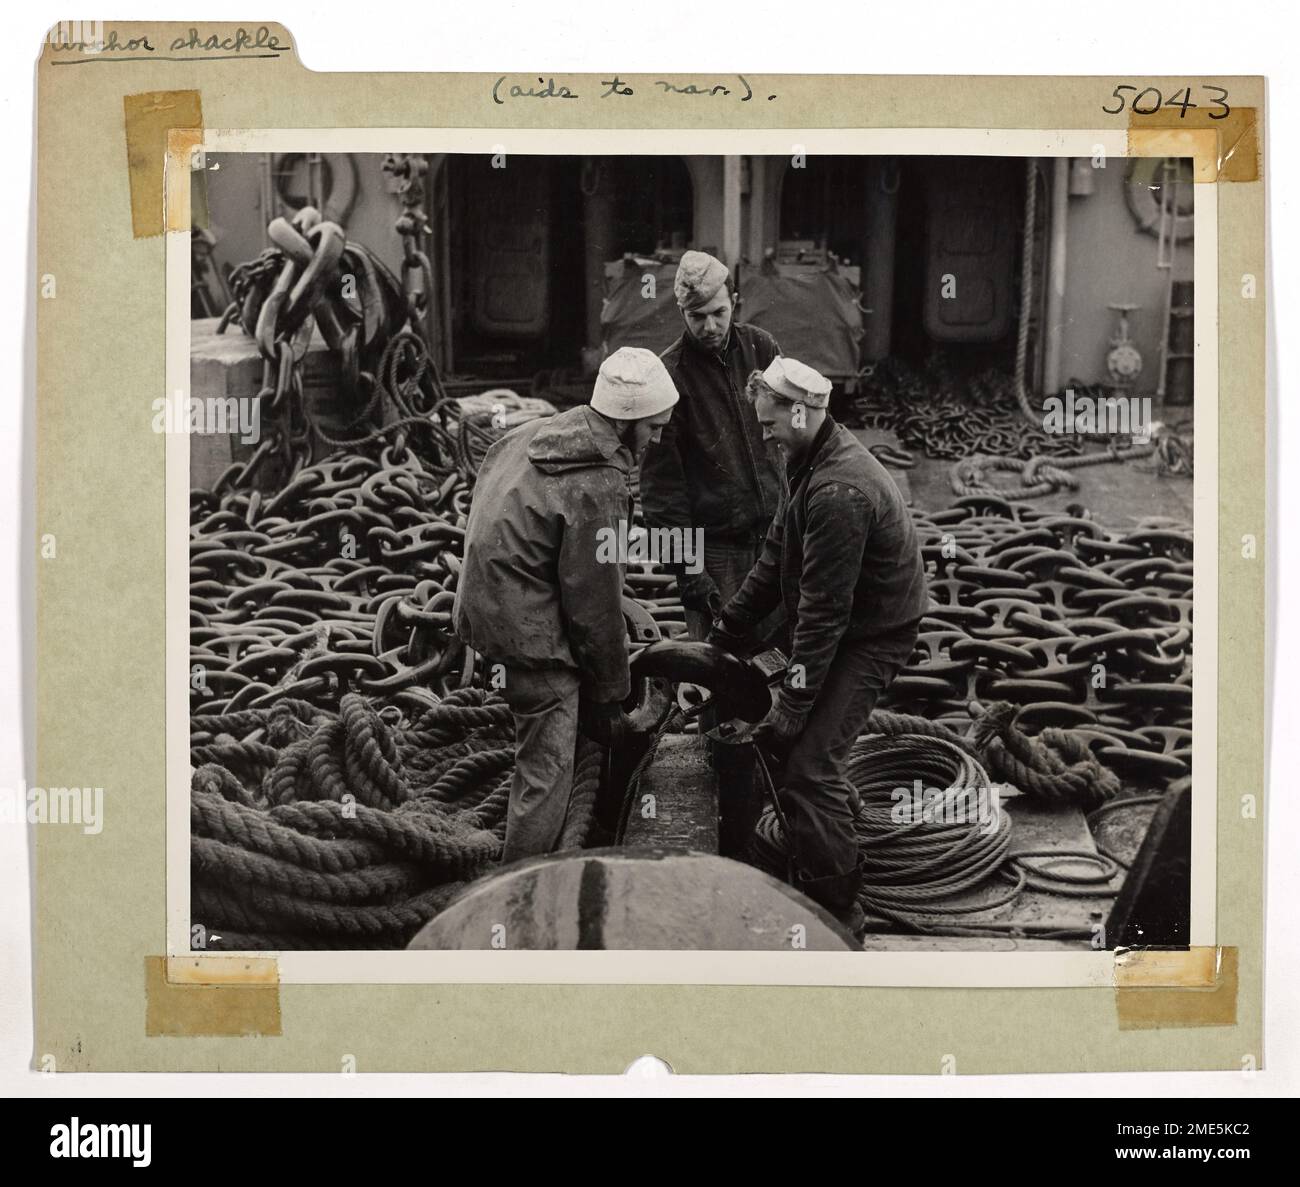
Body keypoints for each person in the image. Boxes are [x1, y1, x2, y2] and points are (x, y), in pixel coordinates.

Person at [707, 357, 929, 931]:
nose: (763, 436)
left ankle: (839, 913)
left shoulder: (837, 492)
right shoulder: (804, 458)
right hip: (844, 623)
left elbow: (824, 615)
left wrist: (794, 705)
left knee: (809, 769)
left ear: (800, 413)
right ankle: (831, 826)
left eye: (768, 425)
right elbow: (776, 555)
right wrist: (726, 630)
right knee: (795, 745)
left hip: (872, 635)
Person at [453, 347, 679, 864]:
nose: (659, 439)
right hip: (531, 641)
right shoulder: (598, 484)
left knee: (541, 748)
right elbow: (593, 607)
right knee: (546, 771)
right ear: (626, 422)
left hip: (488, 614)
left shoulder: (533, 434)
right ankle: (518, 889)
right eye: (654, 428)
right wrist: (614, 694)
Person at [639, 250, 782, 638]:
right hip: (716, 553)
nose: (710, 326)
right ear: (681, 313)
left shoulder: (762, 349)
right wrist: (689, 572)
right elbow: (661, 490)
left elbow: (793, 438)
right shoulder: (669, 376)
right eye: (697, 317)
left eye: (719, 312)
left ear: (733, 302)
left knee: (781, 661)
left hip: (775, 539)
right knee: (720, 671)